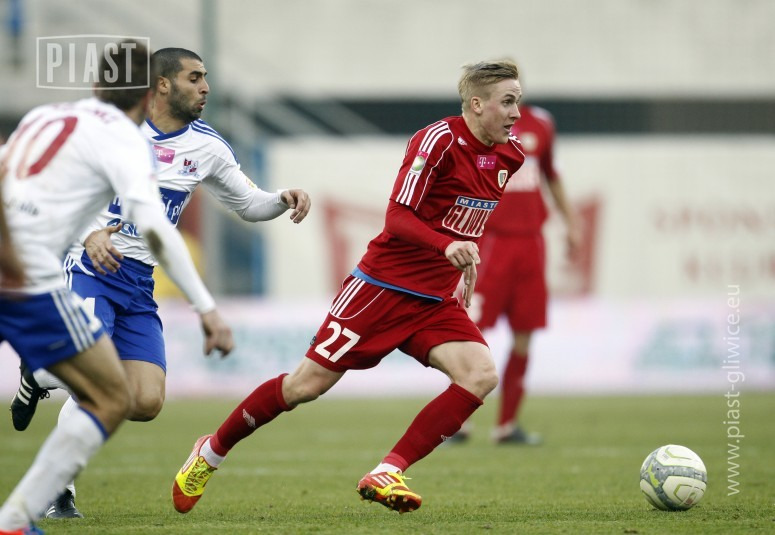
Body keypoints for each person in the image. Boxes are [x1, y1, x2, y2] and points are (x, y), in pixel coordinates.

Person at [170, 59, 526, 515]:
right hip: (381, 288)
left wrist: (465, 258)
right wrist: (447, 246)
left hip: (435, 299)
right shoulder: (437, 141)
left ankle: (388, 471)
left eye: (518, 101)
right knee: (304, 387)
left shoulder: (511, 155)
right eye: (508, 102)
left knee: (480, 375)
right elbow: (397, 218)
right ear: (477, 104)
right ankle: (210, 452)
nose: (517, 113)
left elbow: (464, 215)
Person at [8, 47, 311, 519]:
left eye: (205, 77)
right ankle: (57, 490)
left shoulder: (207, 147)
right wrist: (88, 233)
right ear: (163, 85)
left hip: (138, 283)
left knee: (146, 401)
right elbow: (60, 188)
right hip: (90, 268)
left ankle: (38, 374)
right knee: (95, 377)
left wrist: (281, 199)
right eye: (195, 78)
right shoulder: (114, 132)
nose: (205, 87)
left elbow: (248, 203)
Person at [454, 104, 580, 445]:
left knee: (525, 330)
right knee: (469, 329)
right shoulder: (478, 122)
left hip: (531, 243)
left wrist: (571, 223)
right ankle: (458, 422)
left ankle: (507, 425)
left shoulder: (541, 123)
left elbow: (552, 175)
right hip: (492, 241)